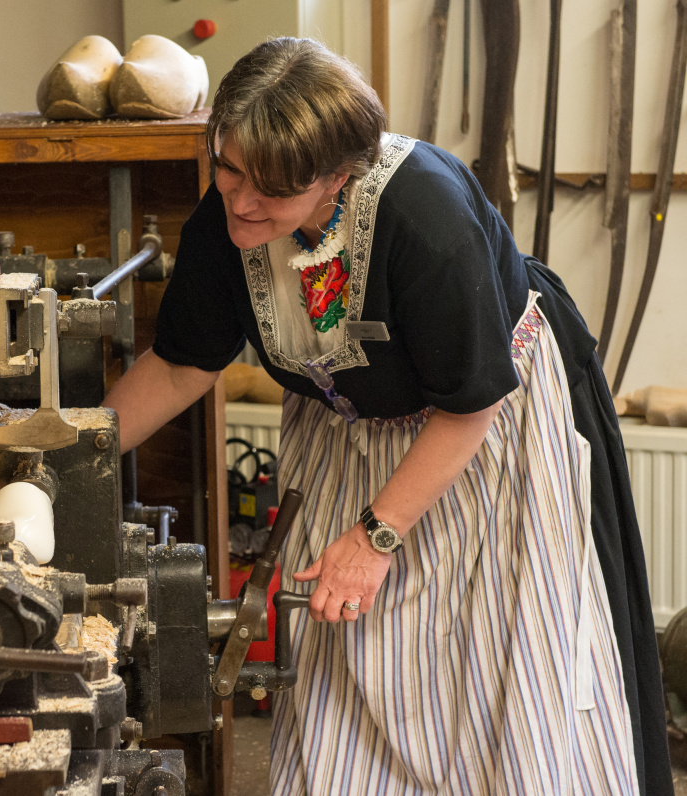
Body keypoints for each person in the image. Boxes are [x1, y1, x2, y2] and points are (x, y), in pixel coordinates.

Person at [103, 37, 672, 796]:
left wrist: (373, 537)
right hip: (346, 432)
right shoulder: (226, 224)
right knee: (347, 666)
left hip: (482, 429)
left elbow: (470, 404)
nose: (240, 199)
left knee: (482, 671)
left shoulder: (424, 215)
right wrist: (73, 458)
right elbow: (181, 366)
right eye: (228, 167)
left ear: (338, 175)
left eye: (270, 188)